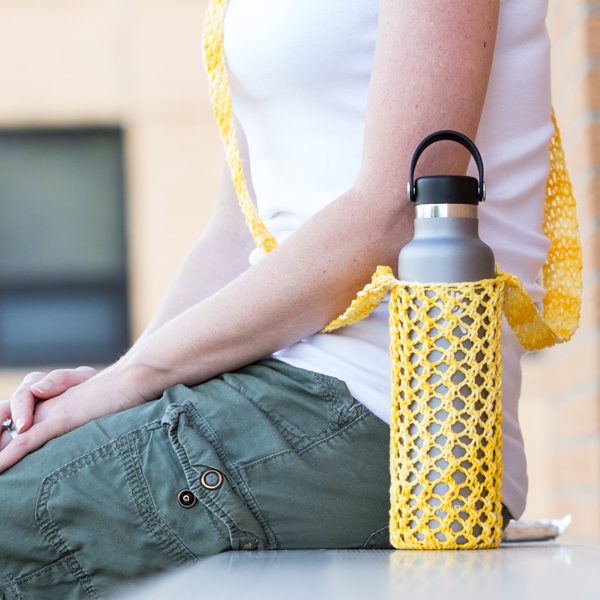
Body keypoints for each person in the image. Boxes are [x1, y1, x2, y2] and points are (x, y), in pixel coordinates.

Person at [1, 0, 553, 597]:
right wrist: (109, 388)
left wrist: (126, 382)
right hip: (270, 387)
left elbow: (395, 211)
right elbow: (237, 235)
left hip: (401, 421)